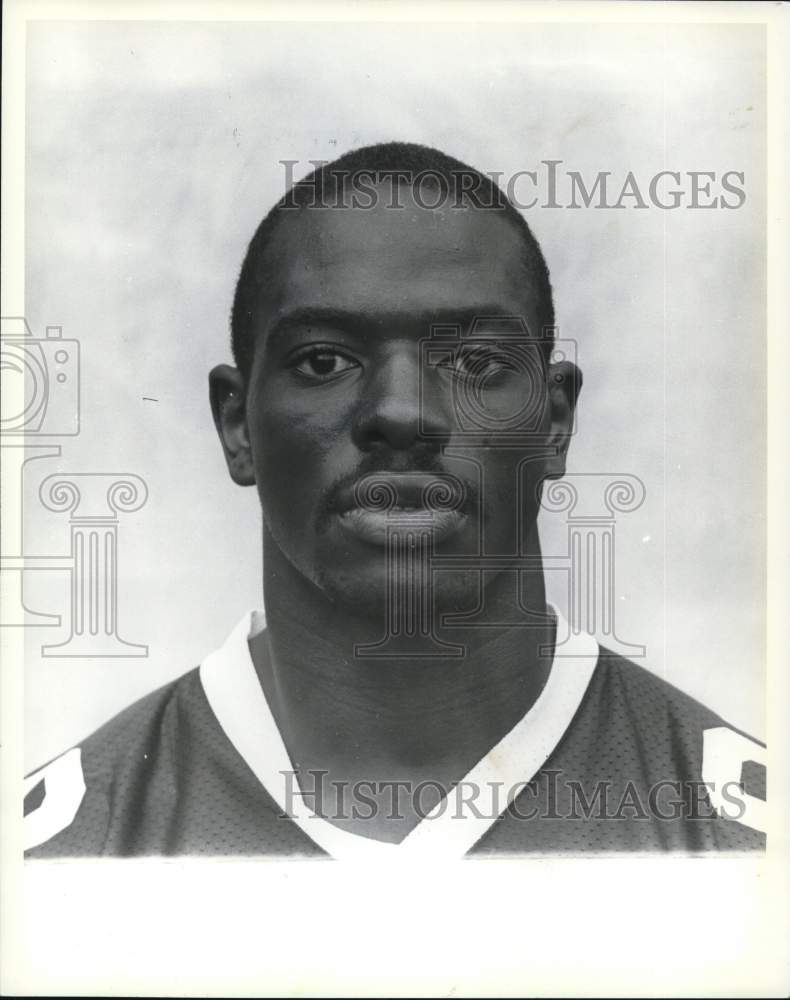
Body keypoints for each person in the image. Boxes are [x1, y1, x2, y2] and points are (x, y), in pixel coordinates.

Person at [24, 142, 766, 859]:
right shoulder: (58, 856)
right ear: (236, 424)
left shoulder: (748, 847)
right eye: (325, 361)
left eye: (475, 362)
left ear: (554, 419)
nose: (403, 413)